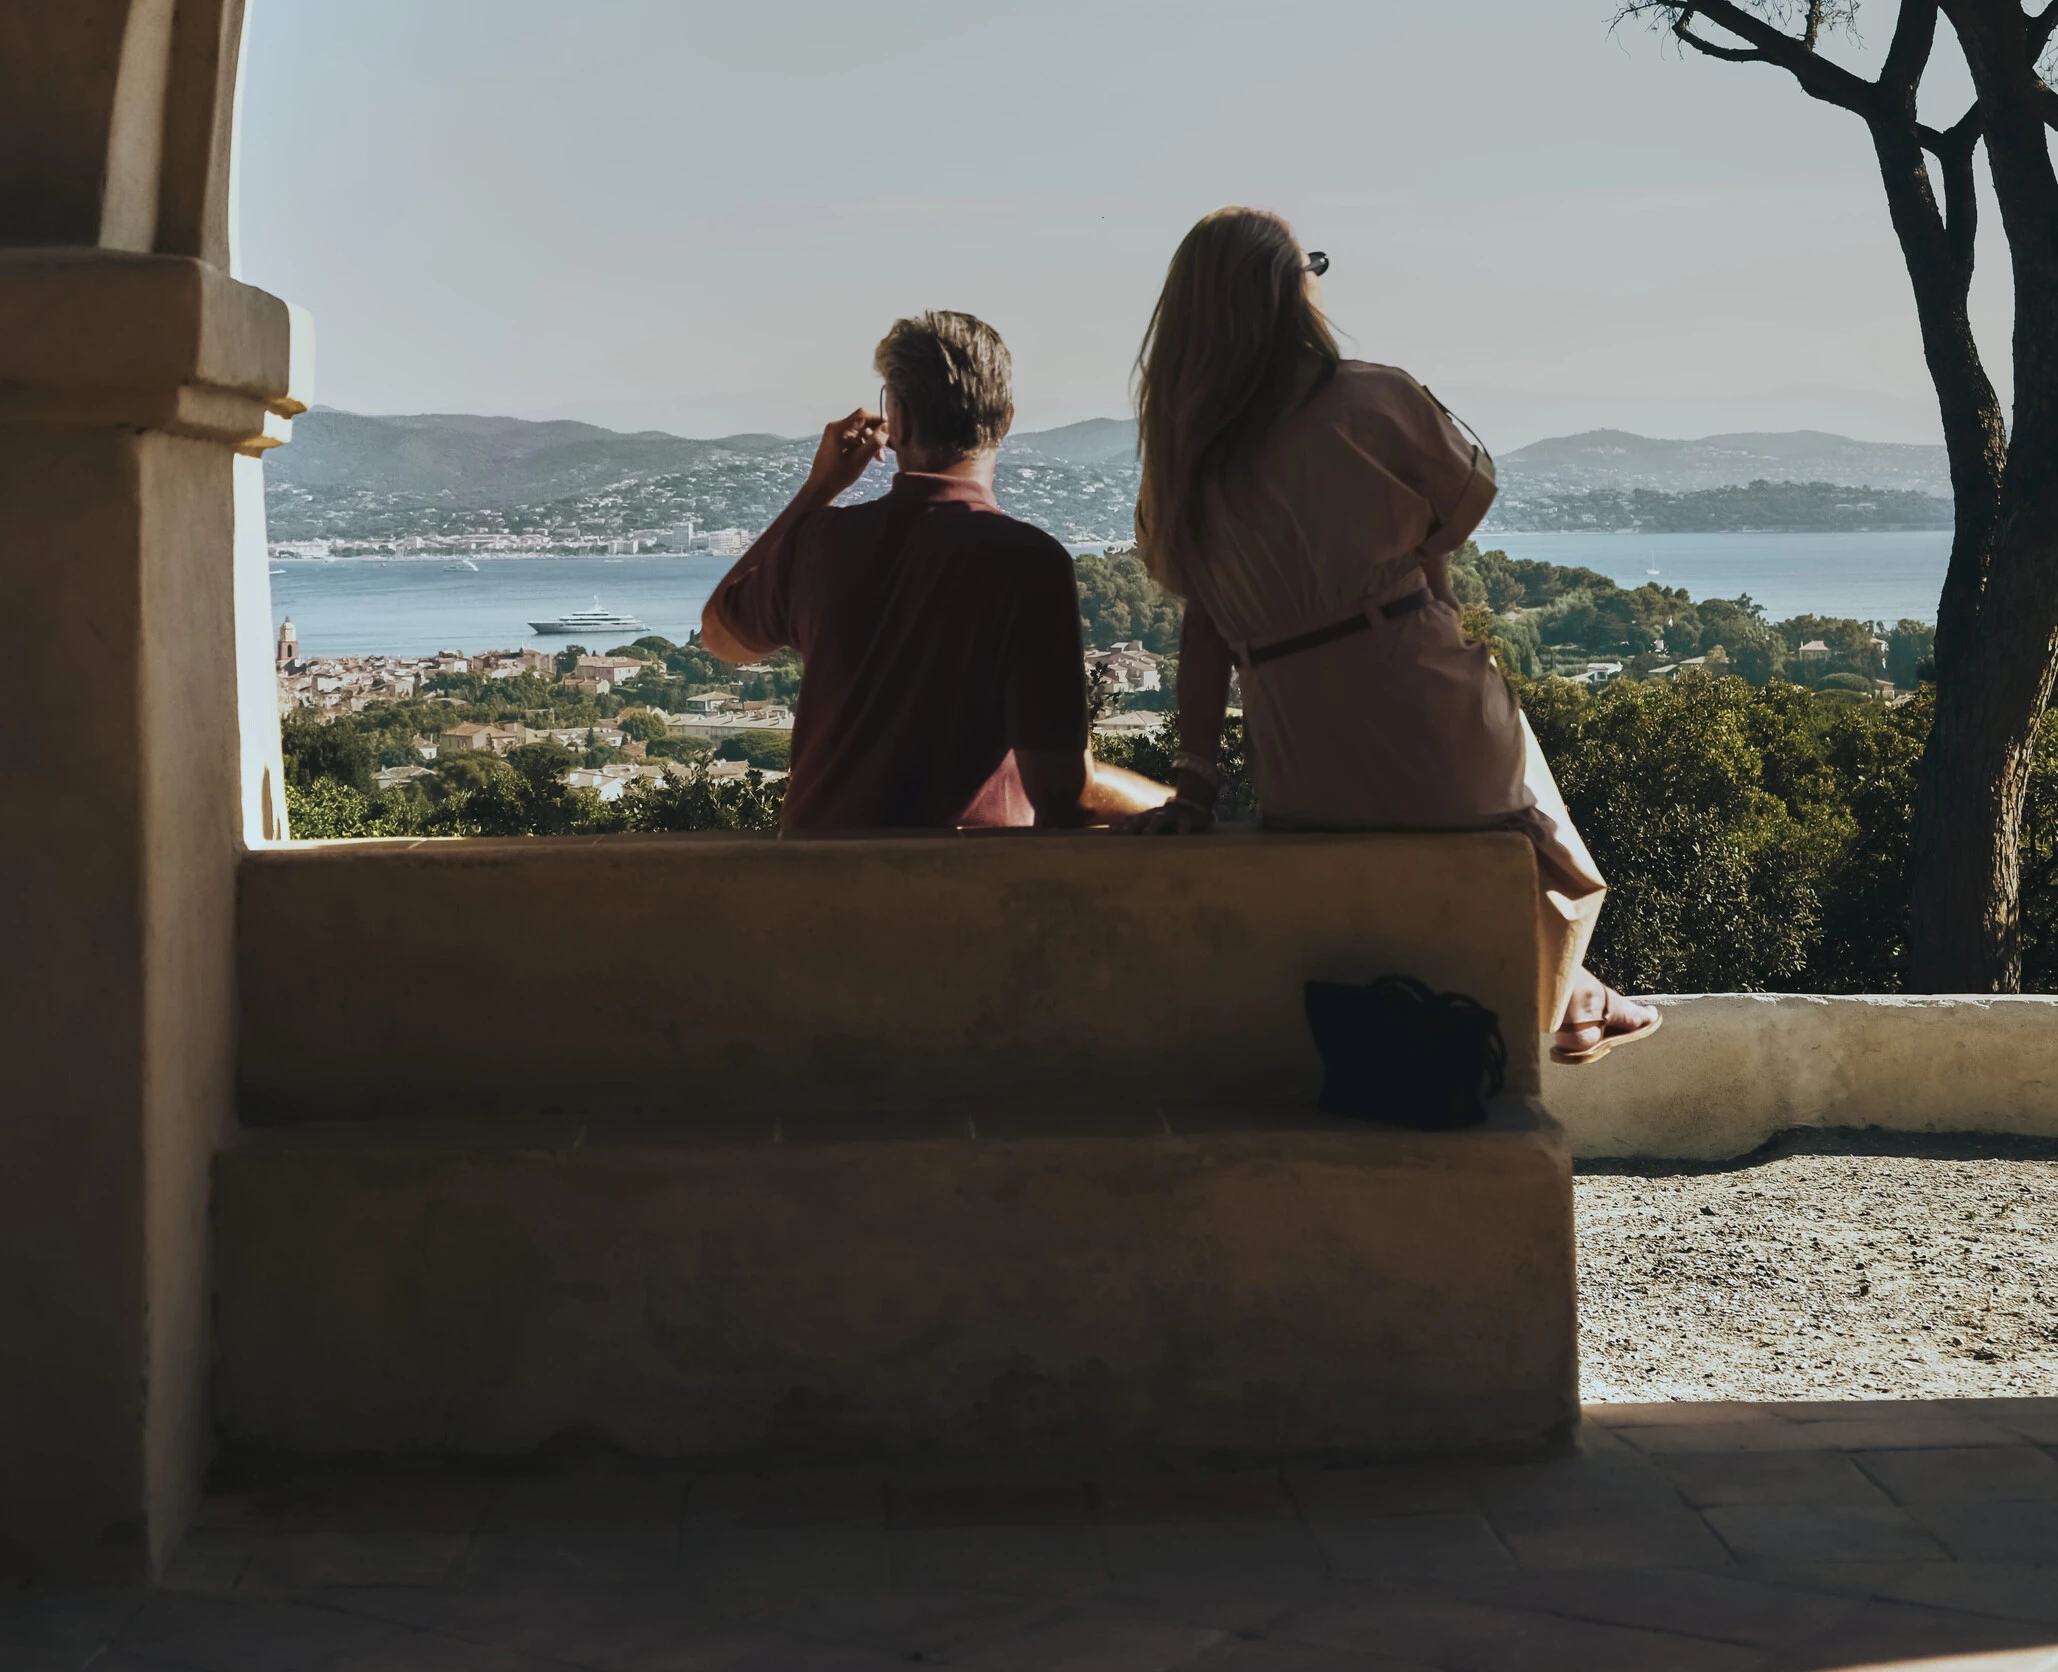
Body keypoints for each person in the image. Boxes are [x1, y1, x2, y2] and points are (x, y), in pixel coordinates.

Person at [1126, 207, 1661, 1067]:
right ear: (1288, 292)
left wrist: (1194, 782)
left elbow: (1203, 627)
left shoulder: (1183, 457)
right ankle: (1573, 997)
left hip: (1298, 752)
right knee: (1545, 854)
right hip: (1419, 698)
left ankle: (1581, 995)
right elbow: (1444, 534)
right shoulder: (1372, 398)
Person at [700, 309, 1163, 833]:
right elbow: (1065, 794)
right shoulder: (1029, 563)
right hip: (961, 893)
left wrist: (818, 489)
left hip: (816, 885)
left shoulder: (820, 542)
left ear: (898, 424)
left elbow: (720, 634)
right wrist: (1178, 798)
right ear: (1006, 419)